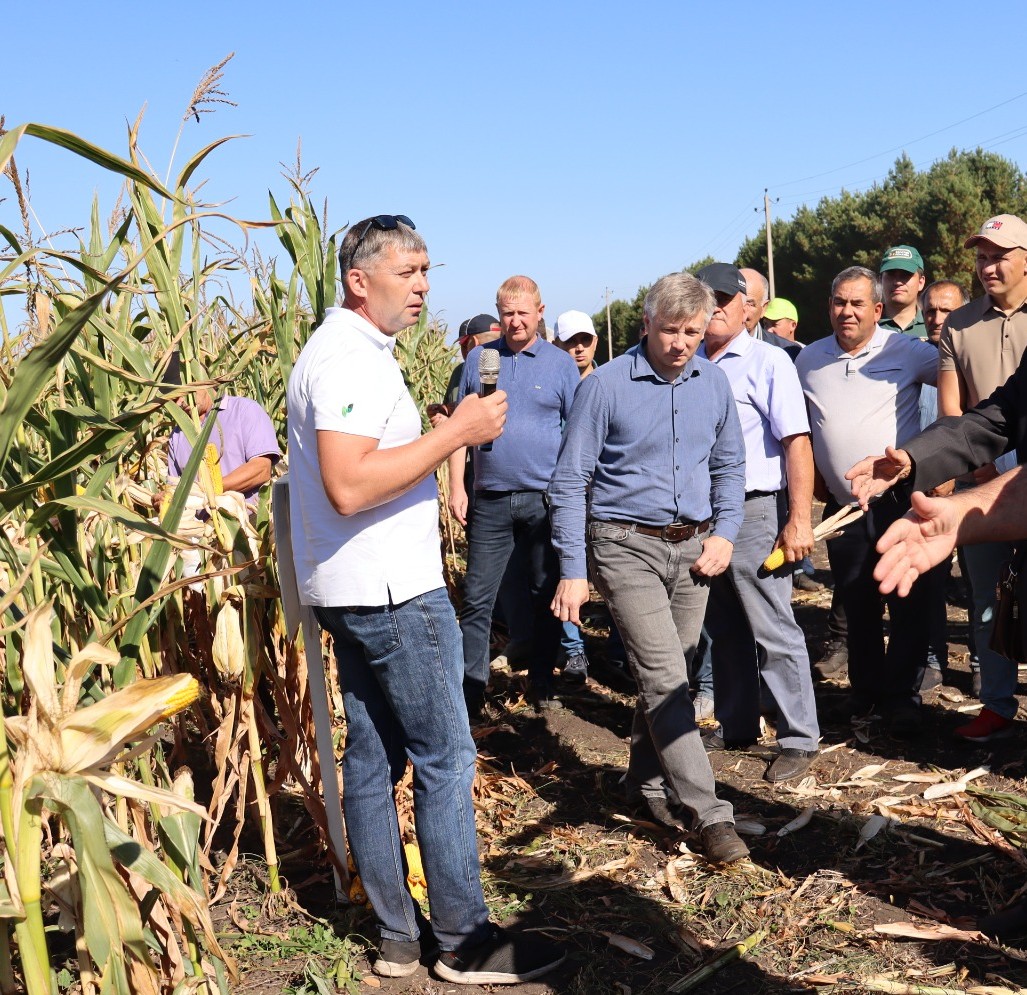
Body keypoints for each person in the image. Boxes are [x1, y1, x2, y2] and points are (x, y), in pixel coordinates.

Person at [286, 215, 564, 984]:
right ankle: (464, 939)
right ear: (359, 278)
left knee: (373, 757)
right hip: (390, 592)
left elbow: (364, 461)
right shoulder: (346, 358)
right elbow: (348, 485)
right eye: (408, 271)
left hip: (353, 589)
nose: (423, 286)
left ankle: (397, 937)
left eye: (426, 270)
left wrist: (437, 432)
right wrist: (458, 434)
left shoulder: (351, 352)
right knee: (445, 757)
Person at [548, 271, 749, 863]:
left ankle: (643, 782)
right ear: (646, 324)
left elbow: (730, 469)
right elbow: (570, 481)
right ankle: (710, 814)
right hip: (624, 544)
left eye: (692, 331)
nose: (681, 342)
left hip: (693, 551)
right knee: (664, 676)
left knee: (671, 675)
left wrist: (726, 535)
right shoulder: (605, 386)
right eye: (669, 330)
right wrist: (573, 567)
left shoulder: (713, 385)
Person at [795, 266, 939, 737]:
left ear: (878, 310)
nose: (847, 312)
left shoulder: (910, 352)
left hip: (902, 500)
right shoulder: (809, 360)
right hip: (844, 507)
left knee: (907, 600)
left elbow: (958, 383)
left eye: (857, 303)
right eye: (839, 302)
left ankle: (901, 698)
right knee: (856, 602)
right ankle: (865, 693)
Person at [694, 263, 820, 782]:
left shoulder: (769, 361)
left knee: (772, 624)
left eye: (727, 298)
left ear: (748, 307)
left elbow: (796, 442)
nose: (717, 307)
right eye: (708, 298)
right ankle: (739, 723)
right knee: (722, 627)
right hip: (701, 512)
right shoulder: (690, 362)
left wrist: (798, 520)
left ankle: (799, 736)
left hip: (752, 510)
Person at [447, 276, 581, 714]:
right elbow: (457, 431)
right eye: (508, 313)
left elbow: (578, 433)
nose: (515, 321)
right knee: (479, 598)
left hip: (543, 500)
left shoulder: (560, 365)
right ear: (499, 313)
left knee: (545, 593)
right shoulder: (481, 360)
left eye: (524, 312)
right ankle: (472, 693)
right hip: (489, 499)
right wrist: (456, 487)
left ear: (540, 312)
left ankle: (542, 685)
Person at [930, 215, 1027, 738]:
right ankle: (996, 703)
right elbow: (953, 409)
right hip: (981, 474)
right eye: (981, 257)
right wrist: (977, 464)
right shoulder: (958, 326)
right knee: (987, 596)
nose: (987, 266)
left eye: (999, 255)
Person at [917, 280, 971, 691]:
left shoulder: (968, 354)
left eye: (947, 311)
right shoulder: (912, 356)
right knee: (929, 580)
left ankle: (983, 663)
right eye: (931, 310)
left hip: (974, 481)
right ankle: (931, 659)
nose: (937, 319)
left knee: (976, 581)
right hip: (924, 486)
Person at [551, 308, 602, 680]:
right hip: (566, 493)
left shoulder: (610, 382)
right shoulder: (555, 383)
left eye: (584, 340)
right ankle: (574, 651)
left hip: (604, 494)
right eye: (570, 342)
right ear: (557, 344)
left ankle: (619, 651)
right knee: (568, 570)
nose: (579, 348)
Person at [165, 356, 282, 505]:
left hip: (248, 523)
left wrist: (208, 491)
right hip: (201, 527)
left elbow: (261, 469)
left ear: (202, 380)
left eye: (185, 391)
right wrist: (165, 500)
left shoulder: (245, 411)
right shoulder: (176, 436)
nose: (180, 402)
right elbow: (174, 488)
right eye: (174, 398)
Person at [741, 267, 802, 360]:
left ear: (763, 308)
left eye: (750, 304)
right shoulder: (712, 344)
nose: (769, 330)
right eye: (766, 324)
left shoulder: (796, 354)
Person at [879, 245, 928, 339]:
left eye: (905, 275)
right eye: (891, 274)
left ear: (921, 282)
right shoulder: (867, 323)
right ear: (881, 280)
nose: (897, 282)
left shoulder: (934, 324)